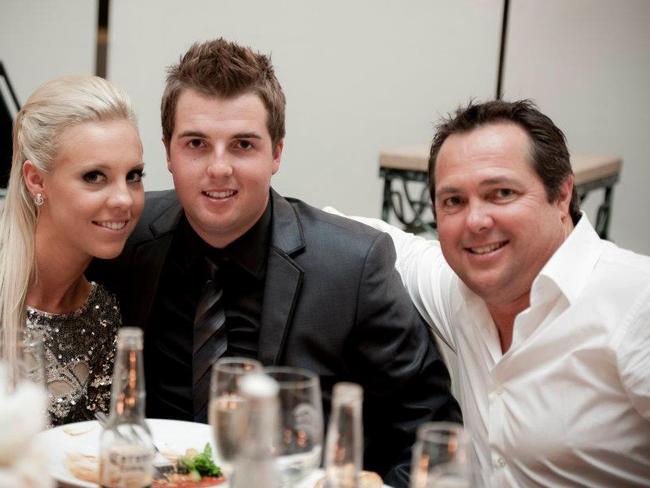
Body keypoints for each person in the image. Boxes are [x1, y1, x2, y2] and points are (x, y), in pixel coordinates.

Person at [88, 38, 459, 487]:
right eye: (196, 144)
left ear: (277, 152)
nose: (218, 168)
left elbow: (431, 435)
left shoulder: (354, 266)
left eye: (243, 144)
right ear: (168, 151)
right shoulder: (123, 234)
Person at [331, 100, 650, 486]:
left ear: (562, 194)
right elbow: (369, 238)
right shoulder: (458, 288)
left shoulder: (636, 303)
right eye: (454, 201)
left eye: (501, 193)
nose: (476, 221)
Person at [0, 75, 145, 426]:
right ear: (36, 180)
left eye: (134, 175)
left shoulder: (101, 313)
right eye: (94, 176)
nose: (124, 199)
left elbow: (92, 453)